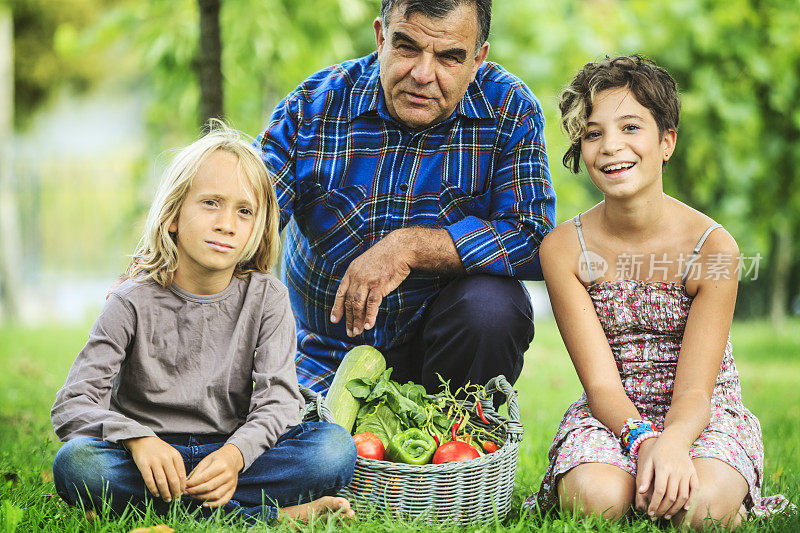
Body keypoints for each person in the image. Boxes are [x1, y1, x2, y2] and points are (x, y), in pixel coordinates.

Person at [524, 55, 794, 528]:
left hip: (701, 412)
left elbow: (694, 389)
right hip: (613, 416)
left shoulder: (713, 247)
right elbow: (602, 384)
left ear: (666, 141)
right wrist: (644, 440)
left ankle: (716, 497)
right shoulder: (564, 249)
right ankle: (633, 485)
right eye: (593, 133)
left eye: (630, 127)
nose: (610, 146)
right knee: (598, 498)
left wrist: (672, 442)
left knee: (700, 507)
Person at [50, 123, 357, 525]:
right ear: (173, 215)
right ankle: (269, 516)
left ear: (257, 228)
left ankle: (182, 505)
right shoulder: (129, 301)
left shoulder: (268, 298)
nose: (226, 224)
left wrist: (234, 456)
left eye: (244, 211)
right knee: (78, 464)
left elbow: (280, 403)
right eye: (211, 203)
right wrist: (138, 440)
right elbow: (72, 405)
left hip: (234, 453)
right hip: (148, 460)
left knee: (333, 449)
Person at [255, 0, 556, 394]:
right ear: (381, 38)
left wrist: (410, 247)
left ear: (478, 59)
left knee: (493, 306)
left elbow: (535, 237)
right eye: (407, 47)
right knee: (317, 454)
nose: (422, 74)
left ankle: (456, 433)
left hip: (444, 358)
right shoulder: (314, 107)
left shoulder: (510, 111)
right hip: (323, 355)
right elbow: (246, 217)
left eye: (449, 57)